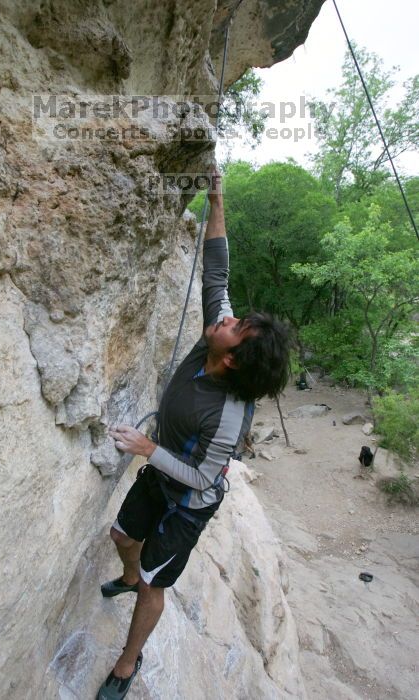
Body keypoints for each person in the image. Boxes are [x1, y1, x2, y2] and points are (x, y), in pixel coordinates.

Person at [96, 172, 290, 699]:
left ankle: (126, 664)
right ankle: (130, 574)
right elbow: (217, 271)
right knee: (121, 537)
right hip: (161, 471)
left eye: (236, 325)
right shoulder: (220, 344)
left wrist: (147, 449)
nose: (226, 316)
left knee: (156, 587)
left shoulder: (228, 412)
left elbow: (205, 476)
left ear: (231, 359)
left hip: (189, 502)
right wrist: (217, 196)